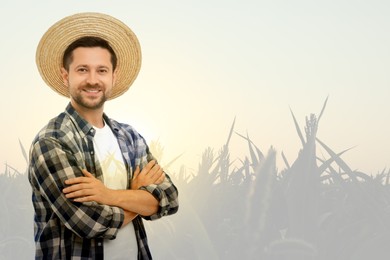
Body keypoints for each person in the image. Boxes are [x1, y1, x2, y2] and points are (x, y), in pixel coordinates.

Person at [28, 12, 179, 260]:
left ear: (112, 77)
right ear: (66, 76)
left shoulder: (131, 137)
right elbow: (89, 222)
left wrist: (108, 195)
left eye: (101, 70)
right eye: (82, 70)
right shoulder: (51, 141)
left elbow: (169, 199)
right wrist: (138, 195)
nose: (92, 80)